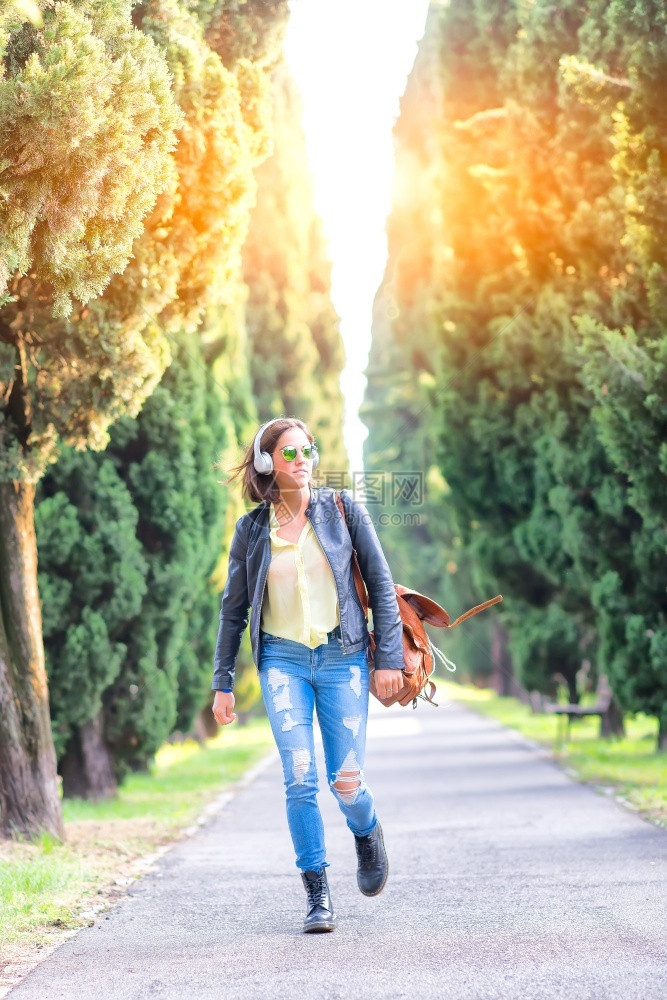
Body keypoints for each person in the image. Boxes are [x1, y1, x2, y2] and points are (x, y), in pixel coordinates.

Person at [211, 416, 404, 933]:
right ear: (267, 462)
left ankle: (367, 833)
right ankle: (318, 895)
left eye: (309, 450)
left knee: (346, 782)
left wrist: (388, 661)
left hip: (344, 659)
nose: (304, 461)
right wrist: (222, 681)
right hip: (283, 662)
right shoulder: (252, 530)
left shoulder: (344, 510)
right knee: (299, 778)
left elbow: (382, 587)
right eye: (291, 453)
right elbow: (234, 610)